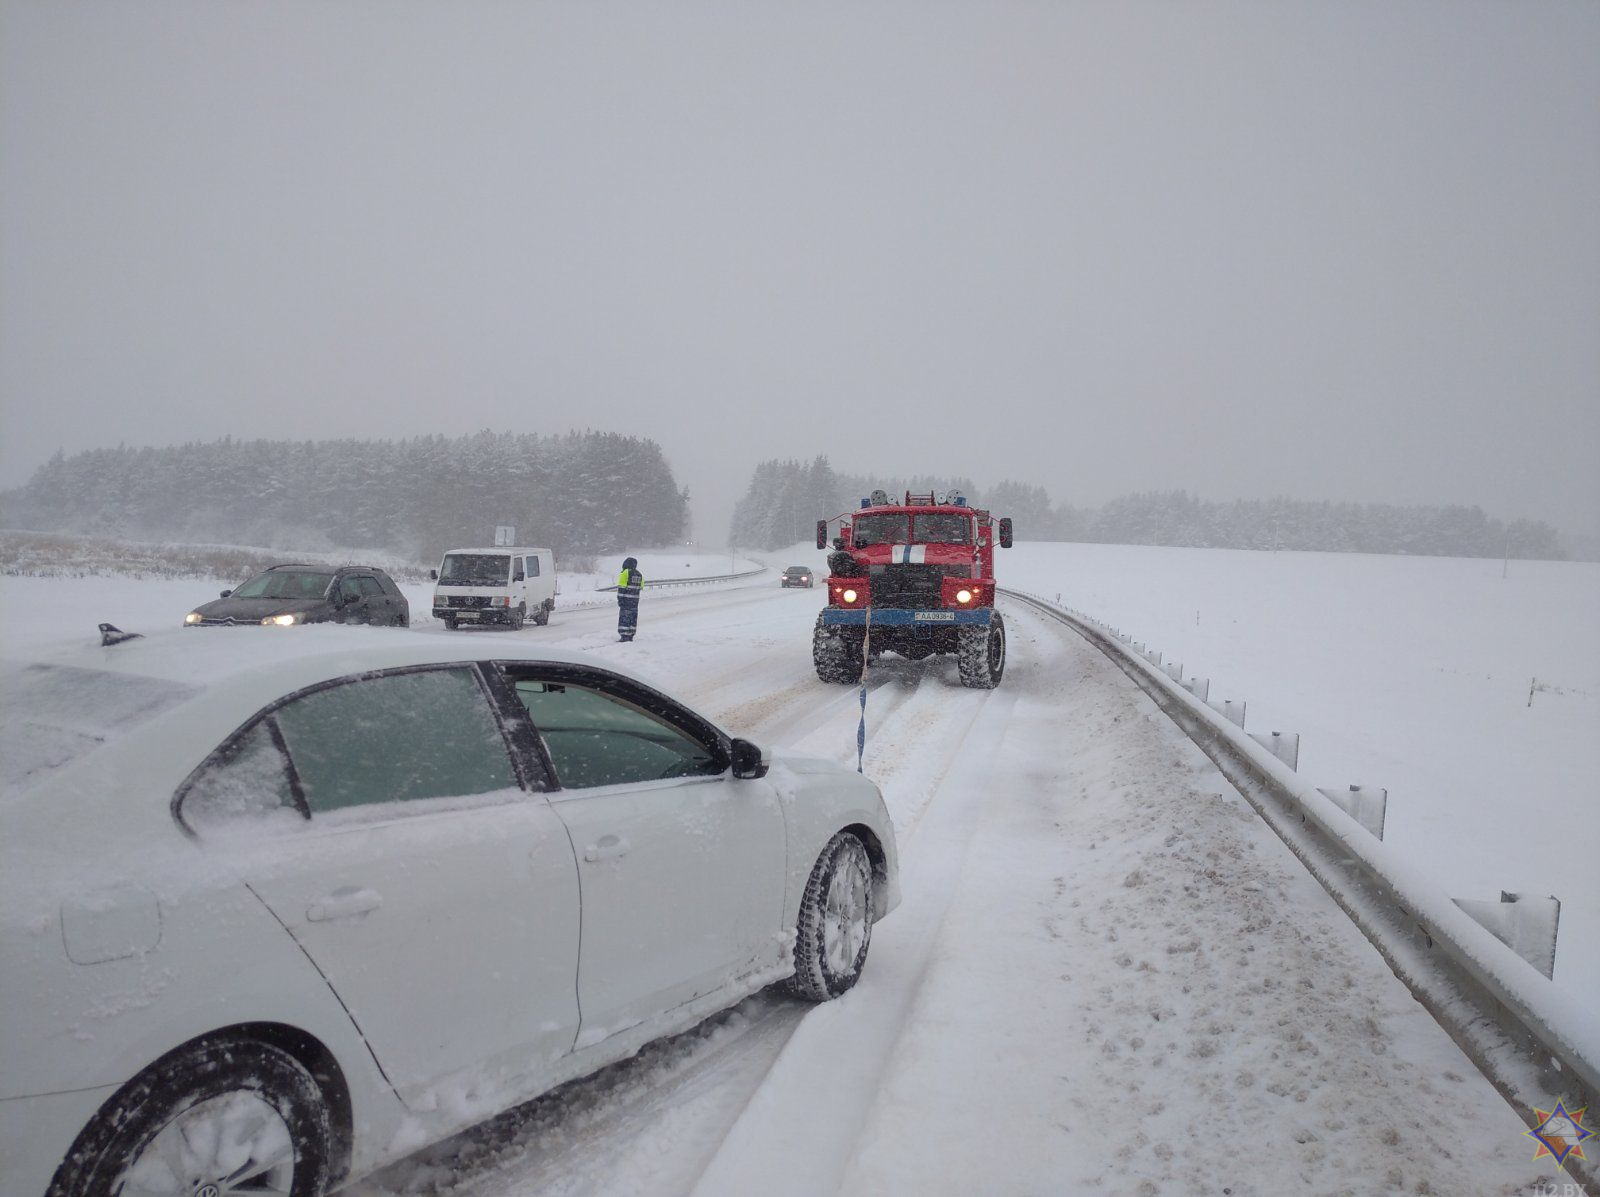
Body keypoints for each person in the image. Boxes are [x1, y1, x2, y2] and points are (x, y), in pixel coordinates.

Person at [616, 556, 643, 641]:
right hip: (635, 601)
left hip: (626, 601)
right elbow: (641, 587)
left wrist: (620, 599)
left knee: (624, 618)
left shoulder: (625, 572)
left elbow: (621, 587)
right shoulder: (639, 574)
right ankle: (631, 635)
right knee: (632, 618)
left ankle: (624, 636)